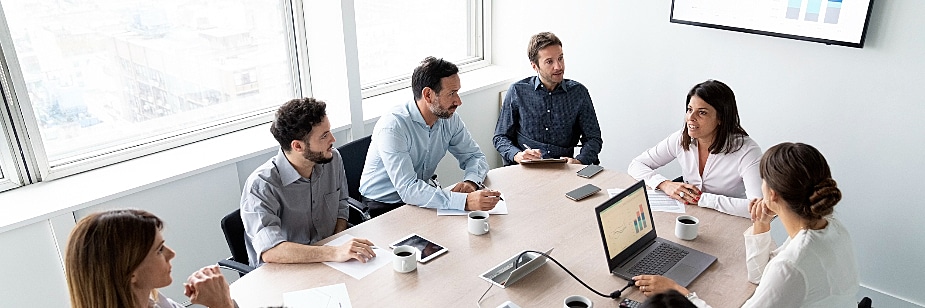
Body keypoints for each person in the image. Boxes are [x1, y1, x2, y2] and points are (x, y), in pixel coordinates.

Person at [632, 142, 859, 307]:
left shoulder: (791, 265)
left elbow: (780, 272)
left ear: (772, 194)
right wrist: (761, 224)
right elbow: (761, 277)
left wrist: (680, 293)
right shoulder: (831, 227)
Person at [240, 98, 376, 268]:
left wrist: (338, 244)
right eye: (324, 136)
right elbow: (271, 250)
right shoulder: (261, 186)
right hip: (286, 268)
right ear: (297, 146)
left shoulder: (332, 160)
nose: (333, 139)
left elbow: (341, 206)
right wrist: (333, 252)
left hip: (329, 259)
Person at [359, 56, 501, 217]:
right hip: (383, 207)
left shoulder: (449, 119)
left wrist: (471, 181)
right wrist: (465, 201)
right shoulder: (393, 127)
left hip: (421, 197)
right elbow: (408, 189)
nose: (458, 101)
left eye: (457, 92)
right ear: (428, 95)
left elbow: (475, 157)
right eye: (452, 93)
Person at [627, 80, 761, 218]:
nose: (690, 118)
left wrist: (701, 199)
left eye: (702, 112)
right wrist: (665, 184)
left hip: (730, 221)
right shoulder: (681, 138)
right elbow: (636, 165)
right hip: (690, 216)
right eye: (690, 109)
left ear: (721, 118)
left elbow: (759, 207)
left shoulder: (747, 151)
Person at [65, 209, 236, 308]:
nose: (171, 254)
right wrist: (222, 304)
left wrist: (220, 300)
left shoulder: (153, 302)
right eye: (159, 250)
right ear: (130, 272)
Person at [493, 32, 603, 165]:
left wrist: (579, 161)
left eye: (560, 58)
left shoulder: (578, 92)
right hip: (526, 168)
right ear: (535, 66)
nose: (558, 66)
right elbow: (500, 137)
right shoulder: (517, 91)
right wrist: (517, 155)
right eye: (549, 61)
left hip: (564, 169)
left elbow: (593, 138)